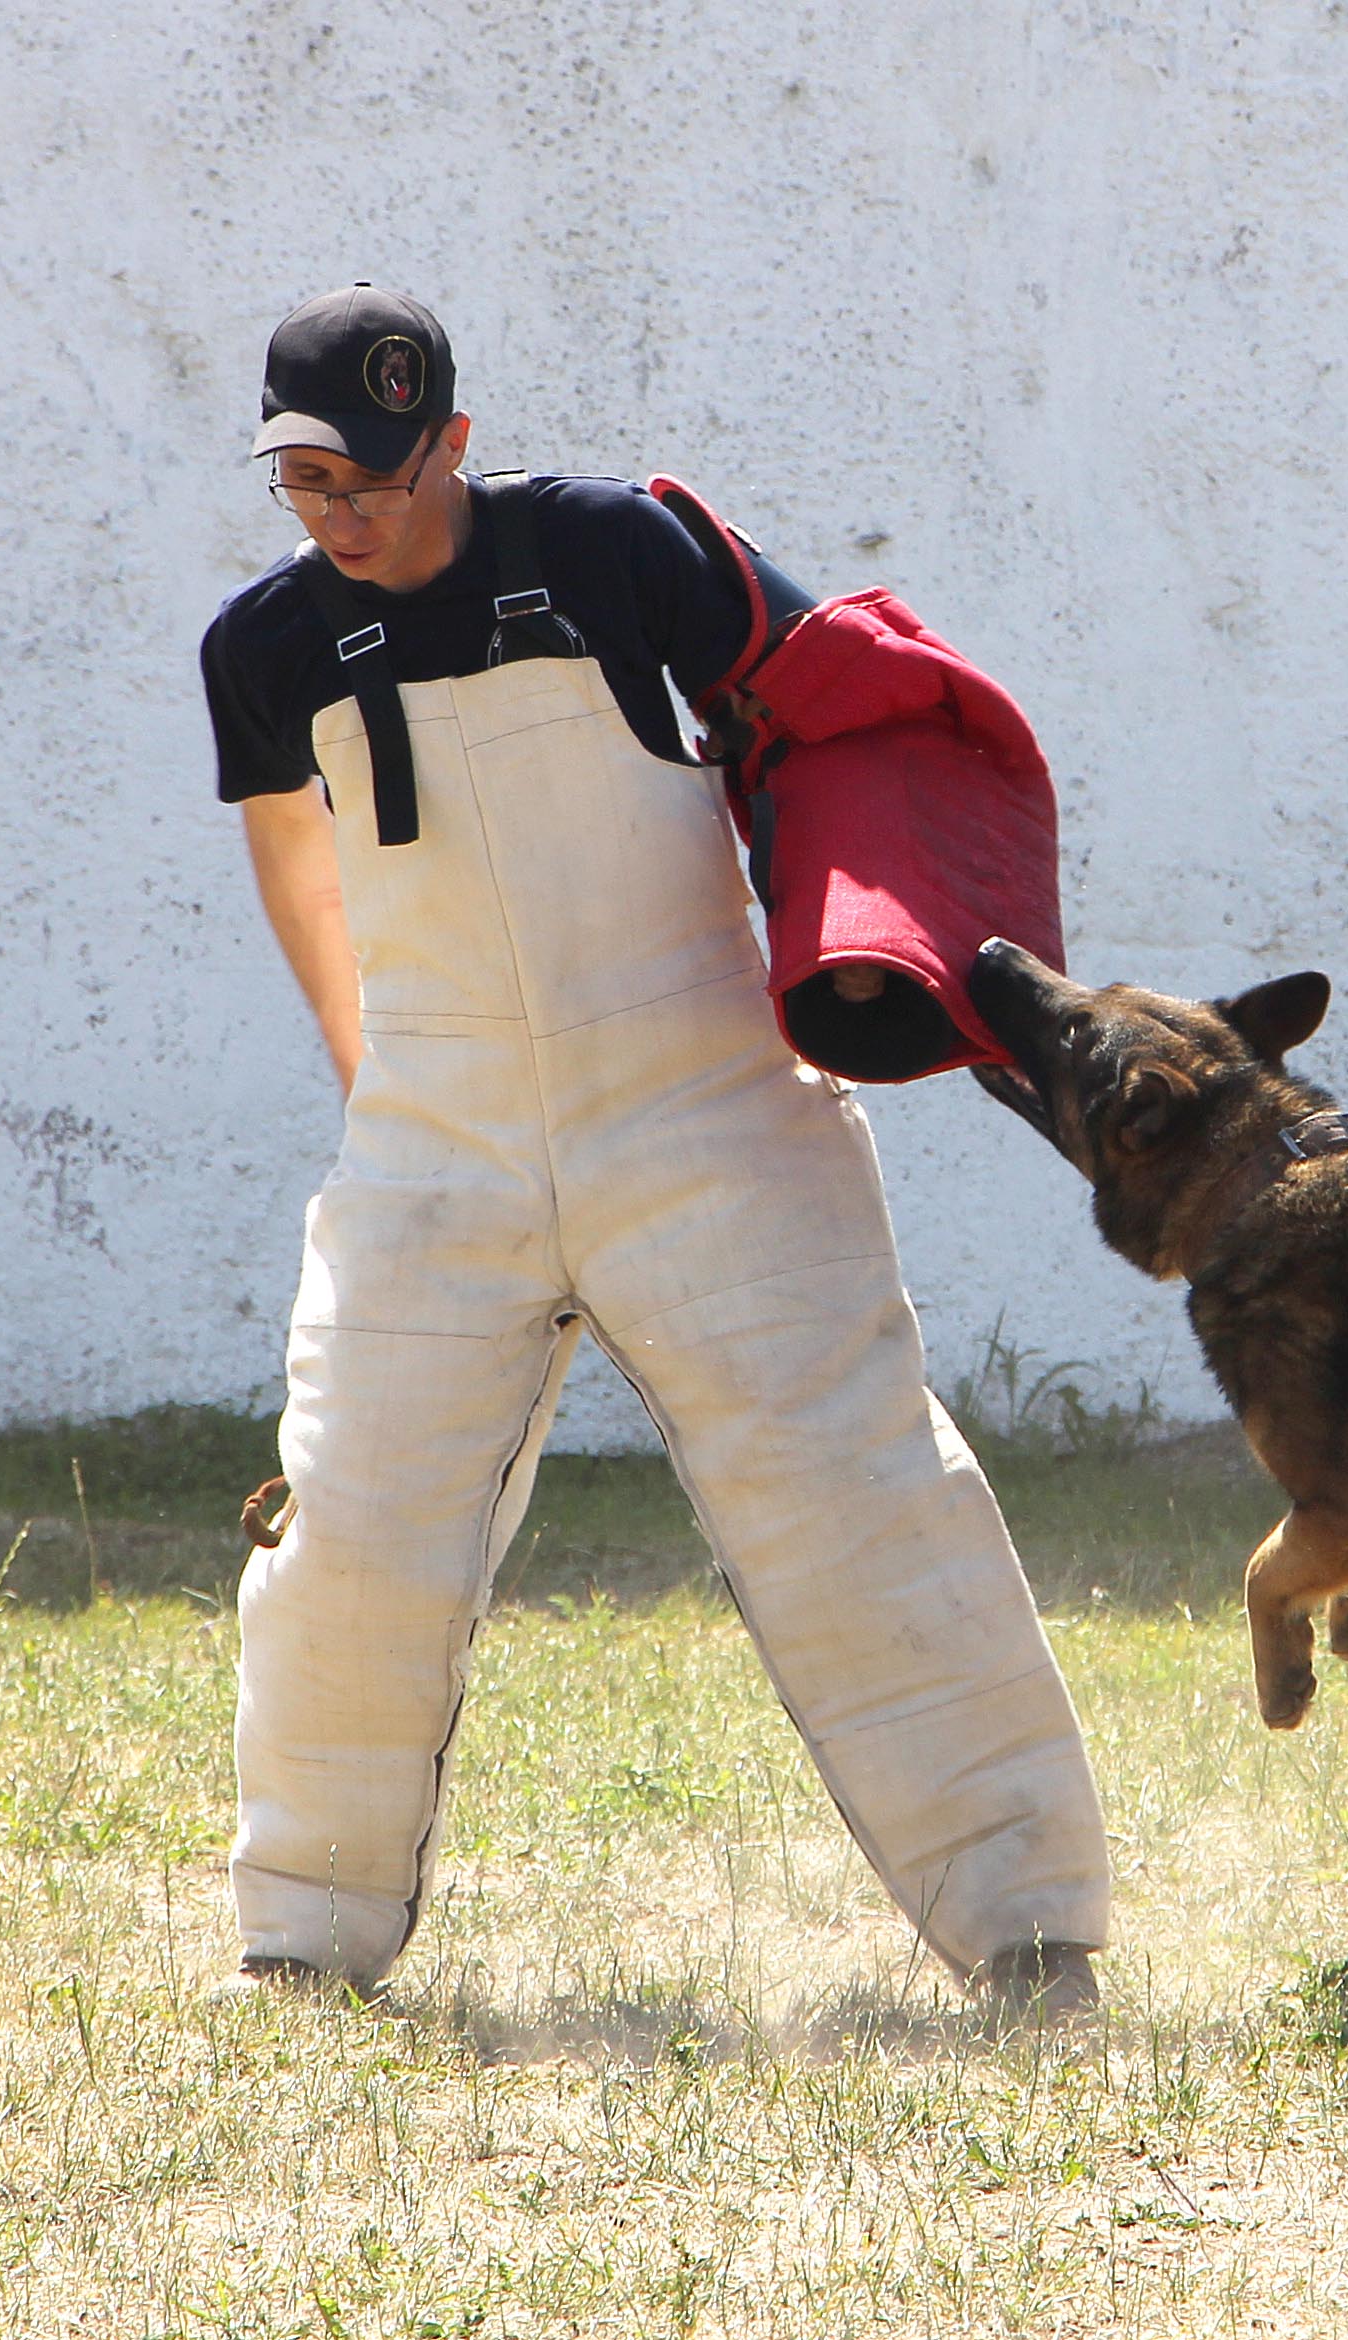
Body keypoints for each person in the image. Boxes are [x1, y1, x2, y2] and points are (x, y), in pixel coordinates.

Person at [197, 282, 1113, 2009]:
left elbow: (843, 710)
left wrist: (894, 954)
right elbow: (293, 860)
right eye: (309, 485)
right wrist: (375, 1085)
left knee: (862, 1493)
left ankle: (1034, 1929)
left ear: (450, 444)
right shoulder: (259, 643)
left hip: (702, 1095)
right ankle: (299, 1948)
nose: (347, 518)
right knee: (346, 1528)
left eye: (377, 481)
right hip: (433, 1127)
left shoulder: (621, 551)